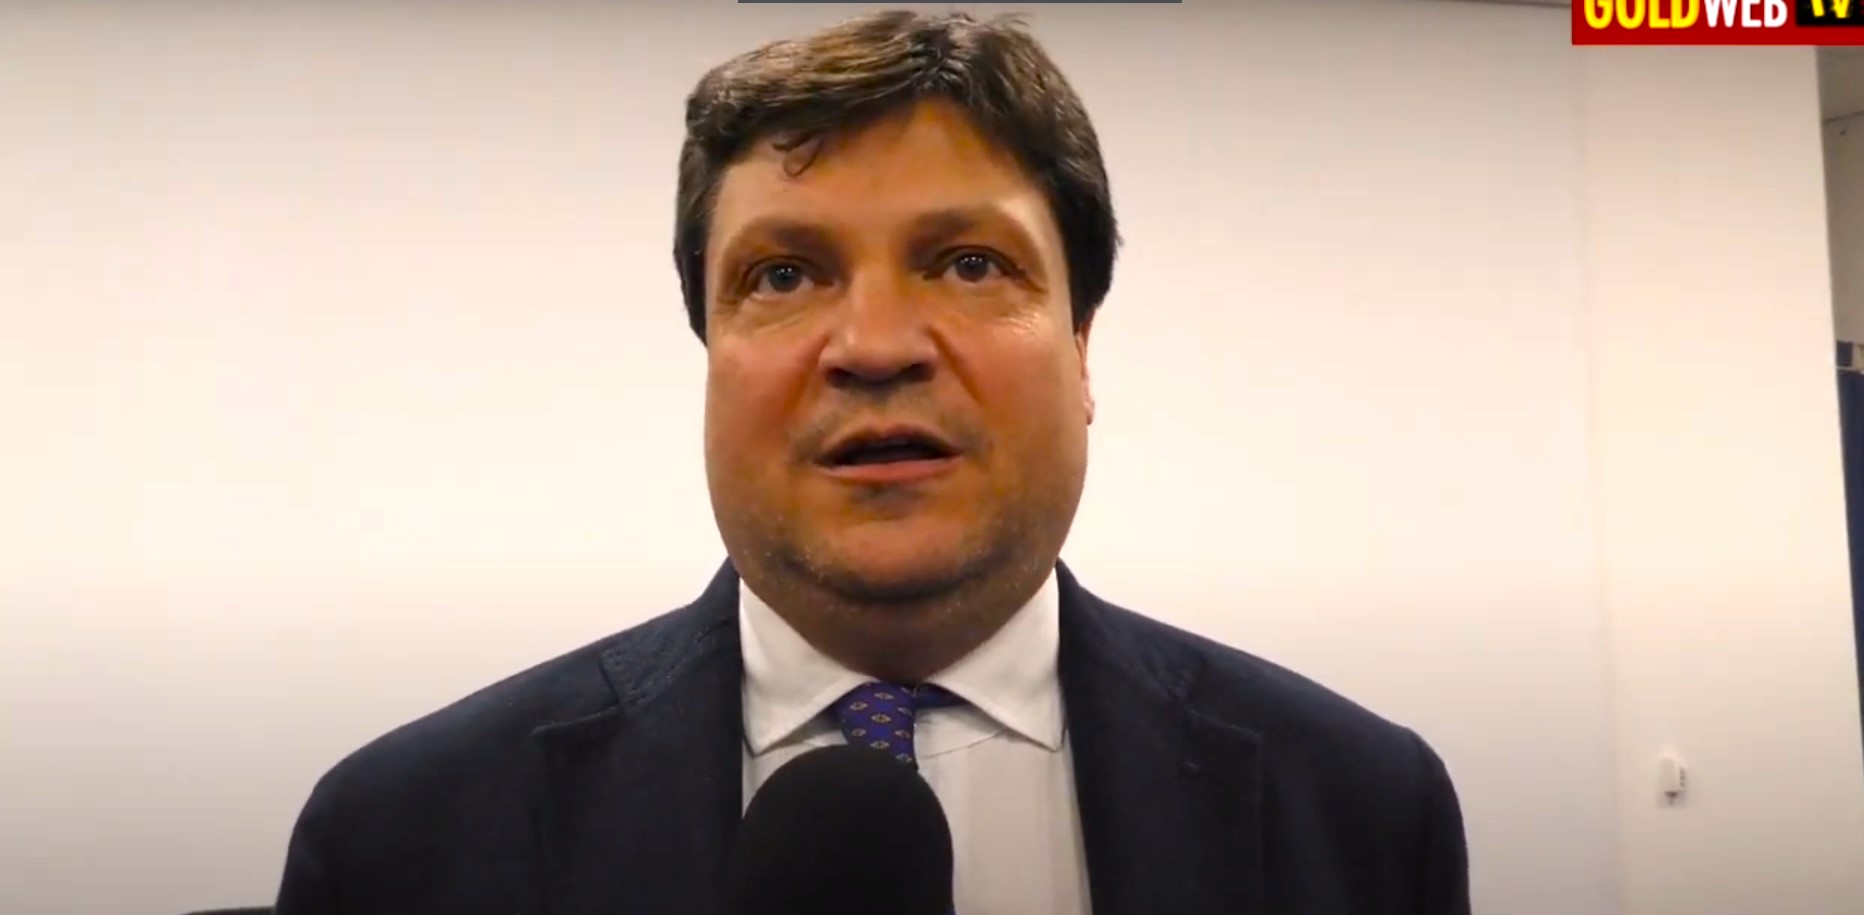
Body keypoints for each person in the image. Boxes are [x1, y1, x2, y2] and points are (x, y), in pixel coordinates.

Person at [274, 10, 1471, 915]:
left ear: (1081, 348)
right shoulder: (401, 840)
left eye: (968, 264)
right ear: (709, 353)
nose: (876, 346)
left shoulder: (1363, 811)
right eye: (783, 275)